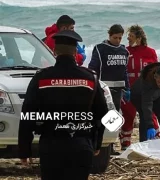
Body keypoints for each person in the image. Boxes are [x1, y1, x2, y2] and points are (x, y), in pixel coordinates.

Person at [18, 30, 109, 180]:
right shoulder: (90, 78)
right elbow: (103, 114)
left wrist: (24, 150)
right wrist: (97, 143)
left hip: (51, 145)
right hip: (81, 144)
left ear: (54, 51)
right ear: (75, 52)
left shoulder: (42, 78)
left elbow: (27, 114)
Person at [119, 24, 160, 150]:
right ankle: (125, 146)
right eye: (128, 37)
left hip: (146, 90)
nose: (128, 39)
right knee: (128, 116)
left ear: (139, 38)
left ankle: (155, 144)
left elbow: (157, 71)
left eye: (131, 37)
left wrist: (159, 88)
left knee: (151, 115)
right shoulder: (125, 51)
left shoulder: (150, 52)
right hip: (128, 89)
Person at [88, 24, 130, 112]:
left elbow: (124, 71)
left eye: (120, 38)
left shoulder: (124, 51)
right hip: (103, 88)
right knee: (102, 113)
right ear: (109, 36)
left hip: (118, 90)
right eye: (115, 37)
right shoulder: (100, 49)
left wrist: (127, 88)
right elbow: (92, 68)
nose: (118, 40)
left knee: (115, 114)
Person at [130, 62, 160, 142]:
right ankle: (144, 143)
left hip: (157, 94)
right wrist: (150, 126)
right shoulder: (147, 82)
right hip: (138, 96)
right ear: (155, 77)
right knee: (144, 117)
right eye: (159, 82)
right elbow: (147, 106)